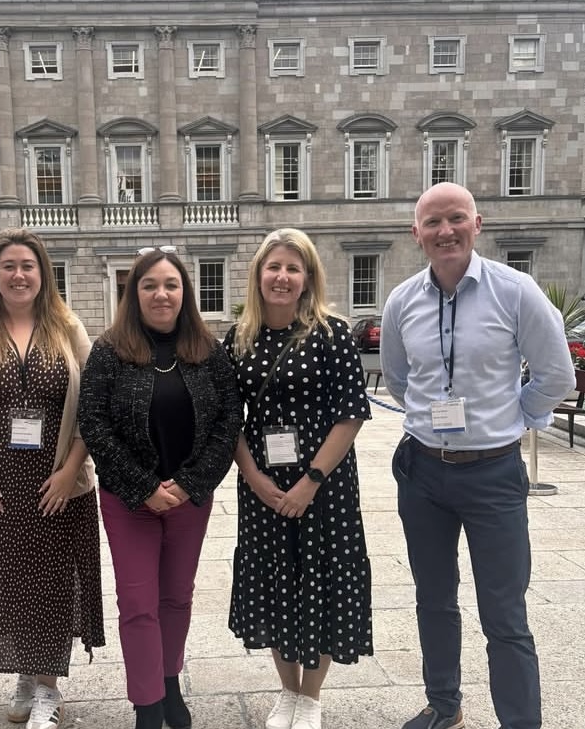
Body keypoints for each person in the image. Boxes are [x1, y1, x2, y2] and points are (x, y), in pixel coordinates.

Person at [380, 182, 576, 729]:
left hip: (493, 474)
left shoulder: (515, 291)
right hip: (423, 473)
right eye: (433, 222)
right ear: (416, 233)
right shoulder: (402, 302)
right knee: (433, 599)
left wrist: (514, 418)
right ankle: (445, 707)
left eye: (456, 218)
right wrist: (433, 420)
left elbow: (557, 374)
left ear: (477, 224)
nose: (446, 231)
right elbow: (399, 379)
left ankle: (520, 722)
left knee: (504, 612)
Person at [0, 227, 104, 729]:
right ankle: (29, 674)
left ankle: (48, 689)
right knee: (8, 583)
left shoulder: (67, 326)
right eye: (8, 266)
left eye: (28, 265)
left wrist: (71, 471)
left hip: (57, 485)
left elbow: (93, 405)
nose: (19, 275)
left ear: (43, 273)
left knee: (52, 583)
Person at [78, 247, 241, 729]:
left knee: (176, 597)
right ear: (134, 293)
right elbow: (94, 423)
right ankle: (147, 703)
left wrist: (190, 483)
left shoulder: (208, 351)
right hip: (129, 501)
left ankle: (169, 683)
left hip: (190, 497)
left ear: (184, 292)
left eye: (171, 284)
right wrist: (144, 486)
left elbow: (229, 421)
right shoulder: (109, 350)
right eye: (149, 285)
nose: (161, 294)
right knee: (137, 603)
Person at [223, 228, 373, 729]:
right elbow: (229, 419)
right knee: (275, 580)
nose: (282, 277)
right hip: (262, 487)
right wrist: (254, 477)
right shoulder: (239, 336)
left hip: (325, 486)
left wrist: (309, 481)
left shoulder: (332, 333)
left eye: (293, 268)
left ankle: (311, 696)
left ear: (308, 277)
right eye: (274, 267)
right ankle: (288, 689)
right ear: (258, 274)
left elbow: (350, 415)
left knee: (321, 579)